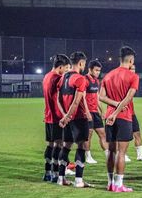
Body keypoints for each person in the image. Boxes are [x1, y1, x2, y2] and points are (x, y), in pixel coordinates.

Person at [100, 46, 139, 192]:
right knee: (121, 152)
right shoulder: (133, 76)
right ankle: (118, 184)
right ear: (131, 60)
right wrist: (117, 110)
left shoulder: (108, 75)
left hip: (109, 116)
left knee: (111, 151)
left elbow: (101, 97)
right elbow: (128, 98)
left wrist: (114, 107)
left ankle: (110, 183)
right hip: (123, 117)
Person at [57, 51, 92, 188]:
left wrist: (64, 116)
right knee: (82, 146)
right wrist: (68, 116)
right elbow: (77, 102)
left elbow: (58, 99)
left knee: (66, 147)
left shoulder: (63, 77)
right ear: (81, 63)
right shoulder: (80, 79)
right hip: (78, 118)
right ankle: (79, 181)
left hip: (67, 118)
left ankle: (61, 179)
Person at [42, 54, 70, 183]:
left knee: (50, 145)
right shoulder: (58, 78)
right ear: (60, 67)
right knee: (58, 145)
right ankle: (55, 173)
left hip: (48, 116)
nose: (66, 71)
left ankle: (47, 172)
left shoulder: (46, 76)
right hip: (57, 117)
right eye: (66, 68)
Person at [84, 60, 107, 164]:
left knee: (102, 133)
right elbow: (82, 97)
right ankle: (88, 156)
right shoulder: (84, 80)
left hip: (95, 112)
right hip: (87, 113)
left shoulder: (97, 81)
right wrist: (86, 112)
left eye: (99, 71)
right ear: (90, 70)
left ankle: (108, 155)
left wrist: (102, 111)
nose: (98, 72)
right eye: (96, 70)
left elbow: (97, 97)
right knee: (89, 135)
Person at [128, 64, 142, 162]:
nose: (133, 71)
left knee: (137, 133)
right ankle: (122, 155)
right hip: (123, 113)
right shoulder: (124, 81)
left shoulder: (133, 80)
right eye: (131, 69)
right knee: (124, 137)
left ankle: (139, 155)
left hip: (131, 113)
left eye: (134, 69)